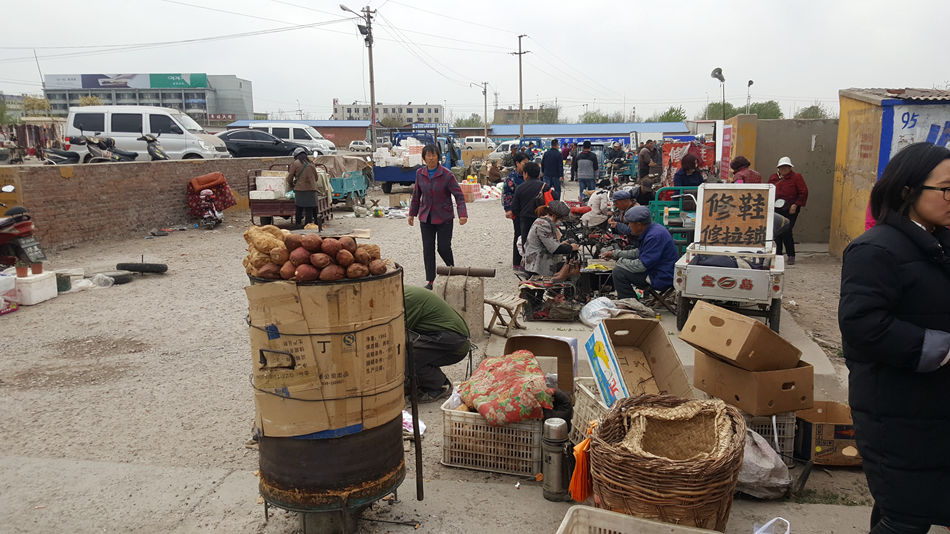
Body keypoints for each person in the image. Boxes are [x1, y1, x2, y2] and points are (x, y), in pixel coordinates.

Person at [838, 142, 950, 534]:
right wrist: (943, 349)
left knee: (903, 509)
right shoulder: (875, 250)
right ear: (907, 191)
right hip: (895, 407)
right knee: (905, 515)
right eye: (946, 189)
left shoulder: (938, 242)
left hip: (932, 406)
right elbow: (862, 324)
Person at [408, 143, 468, 290]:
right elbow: (416, 195)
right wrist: (412, 214)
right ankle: (431, 281)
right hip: (426, 217)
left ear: (438, 157)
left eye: (433, 155)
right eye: (428, 155)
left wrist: (462, 214)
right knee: (428, 249)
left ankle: (452, 271)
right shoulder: (420, 173)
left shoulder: (447, 175)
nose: (431, 158)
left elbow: (459, 196)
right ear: (424, 158)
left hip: (444, 217)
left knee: (443, 247)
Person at [404, 286, 471, 403]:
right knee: (407, 351)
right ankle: (419, 382)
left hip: (454, 341)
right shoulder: (403, 292)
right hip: (449, 337)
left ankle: (439, 385)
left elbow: (397, 332)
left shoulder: (404, 299)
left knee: (406, 356)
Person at [602, 206, 678, 300]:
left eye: (630, 223)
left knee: (618, 272)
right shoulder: (653, 229)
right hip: (657, 270)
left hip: (661, 276)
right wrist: (615, 254)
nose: (629, 227)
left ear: (638, 224)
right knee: (621, 268)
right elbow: (639, 252)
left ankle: (629, 303)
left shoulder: (654, 236)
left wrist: (619, 261)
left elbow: (641, 266)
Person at [523, 200, 580, 279]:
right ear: (554, 216)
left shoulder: (544, 222)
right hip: (536, 265)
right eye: (561, 219)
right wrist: (571, 248)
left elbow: (548, 244)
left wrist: (561, 244)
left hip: (539, 260)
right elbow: (554, 249)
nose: (561, 222)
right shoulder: (543, 225)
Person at [768, 156, 808, 265]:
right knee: (777, 232)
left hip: (790, 209)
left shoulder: (797, 177)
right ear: (778, 168)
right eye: (782, 167)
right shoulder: (773, 178)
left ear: (790, 168)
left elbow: (803, 192)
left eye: (786, 167)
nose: (784, 169)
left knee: (787, 230)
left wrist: (796, 204)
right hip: (776, 208)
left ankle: (791, 255)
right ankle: (778, 254)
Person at [511, 161, 549, 247]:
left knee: (527, 246)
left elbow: (515, 208)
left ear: (526, 174)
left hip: (526, 221)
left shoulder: (520, 188)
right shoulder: (545, 186)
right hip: (542, 221)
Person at [285, 147, 324, 227]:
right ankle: (308, 224)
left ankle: (298, 224)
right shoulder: (311, 163)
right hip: (312, 189)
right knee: (309, 208)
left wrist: (292, 185)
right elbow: (316, 177)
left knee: (299, 208)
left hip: (300, 190)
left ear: (296, 156)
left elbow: (289, 177)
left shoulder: (295, 163)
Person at [503, 153, 529, 270]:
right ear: (517, 163)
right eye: (524, 163)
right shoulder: (511, 178)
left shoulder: (529, 175)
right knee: (518, 234)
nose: (526, 165)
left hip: (529, 209)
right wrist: (508, 209)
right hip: (517, 210)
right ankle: (517, 262)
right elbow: (507, 194)